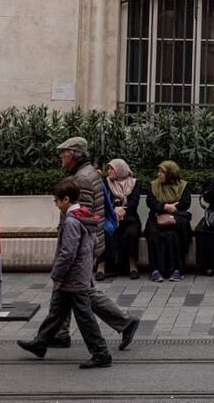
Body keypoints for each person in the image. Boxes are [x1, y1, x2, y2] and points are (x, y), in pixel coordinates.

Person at [16, 178, 112, 369]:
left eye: (56, 200)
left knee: (84, 316)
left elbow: (67, 252)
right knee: (57, 312)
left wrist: (57, 274)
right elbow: (92, 245)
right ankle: (40, 343)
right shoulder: (84, 215)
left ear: (66, 199)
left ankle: (101, 353)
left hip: (72, 277)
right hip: (80, 272)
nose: (56, 204)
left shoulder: (70, 221)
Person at [55, 138, 139, 350]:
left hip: (80, 246)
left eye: (63, 152)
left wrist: (71, 250)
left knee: (76, 290)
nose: (60, 156)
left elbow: (80, 217)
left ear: (73, 154)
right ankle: (57, 333)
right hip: (87, 244)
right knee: (70, 290)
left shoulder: (82, 178)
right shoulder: (89, 173)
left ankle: (123, 324)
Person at [145, 160, 193, 282]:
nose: (159, 174)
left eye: (162, 172)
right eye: (159, 171)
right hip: (156, 217)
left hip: (176, 218)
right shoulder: (154, 185)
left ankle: (177, 269)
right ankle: (155, 270)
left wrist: (172, 208)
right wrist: (165, 207)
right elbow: (150, 202)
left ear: (171, 174)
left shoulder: (183, 186)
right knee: (154, 234)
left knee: (174, 236)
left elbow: (185, 203)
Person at [99, 159, 141, 280]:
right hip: (110, 217)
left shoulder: (134, 183)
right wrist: (113, 210)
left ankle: (132, 264)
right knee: (106, 232)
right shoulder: (105, 183)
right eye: (108, 168)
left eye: (112, 168)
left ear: (120, 169)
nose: (109, 171)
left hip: (129, 218)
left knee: (131, 233)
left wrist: (124, 211)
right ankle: (101, 265)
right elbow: (103, 201)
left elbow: (134, 202)